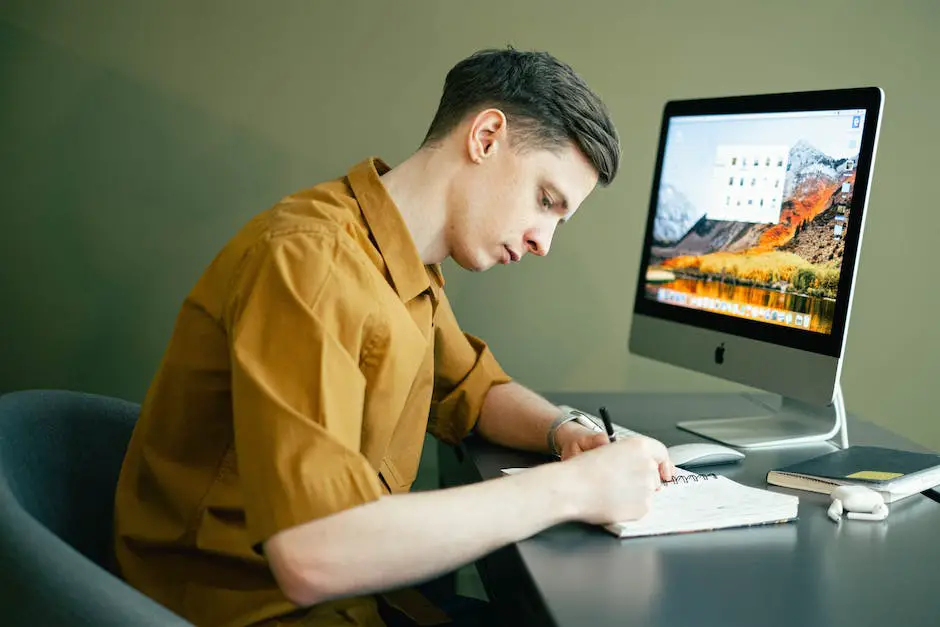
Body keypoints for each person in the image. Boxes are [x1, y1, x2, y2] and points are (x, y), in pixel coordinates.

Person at [113, 47, 673, 627]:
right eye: (545, 200)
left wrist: (565, 434)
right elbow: (313, 553)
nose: (543, 242)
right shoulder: (313, 261)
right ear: (485, 136)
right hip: (257, 611)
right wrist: (572, 491)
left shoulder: (406, 265)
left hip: (355, 601)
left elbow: (475, 391)